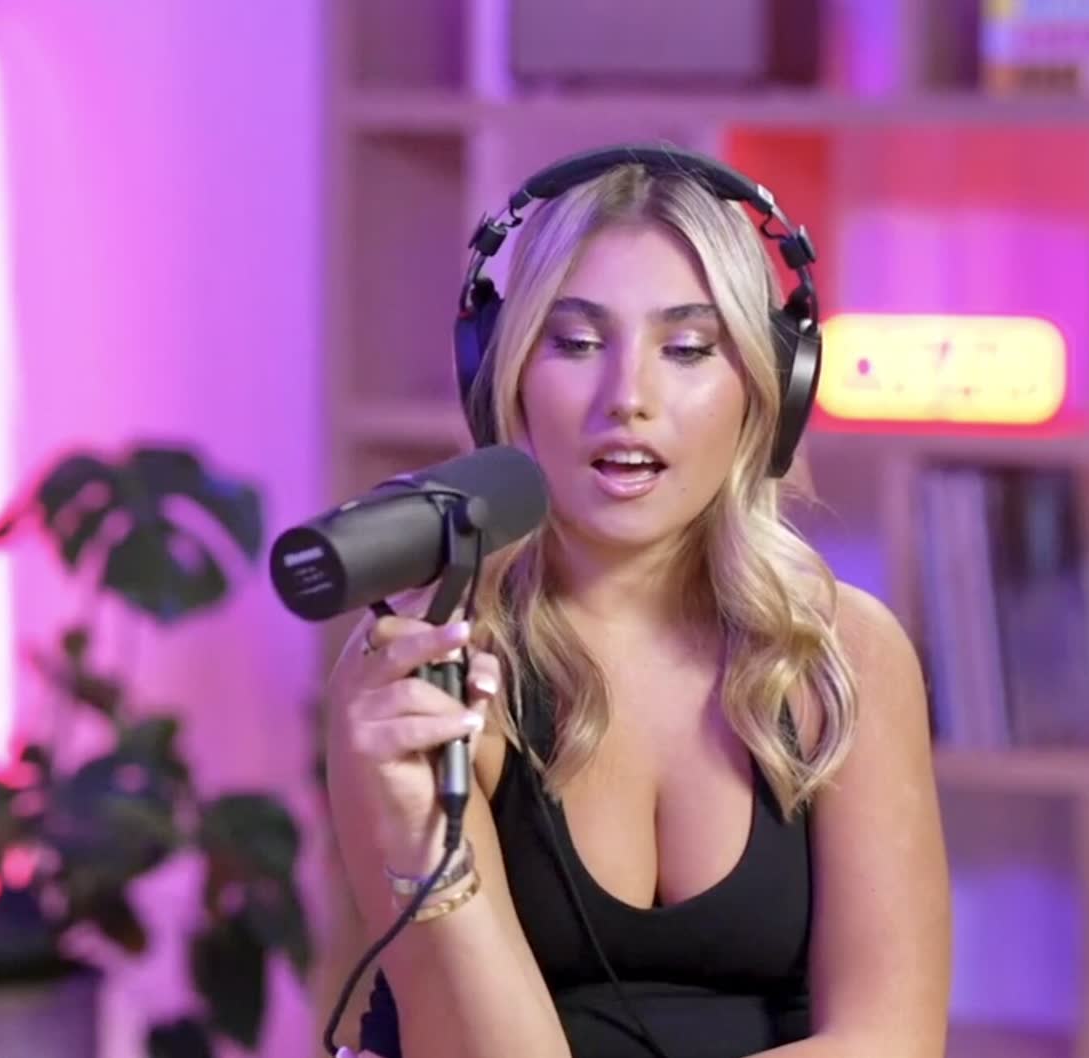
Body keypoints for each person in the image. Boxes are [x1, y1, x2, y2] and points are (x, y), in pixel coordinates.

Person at [321, 145, 951, 1058]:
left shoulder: (845, 658)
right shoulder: (425, 667)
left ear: (768, 387)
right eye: (577, 344)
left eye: (688, 349)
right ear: (504, 373)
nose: (628, 398)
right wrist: (426, 845)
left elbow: (889, 1041)